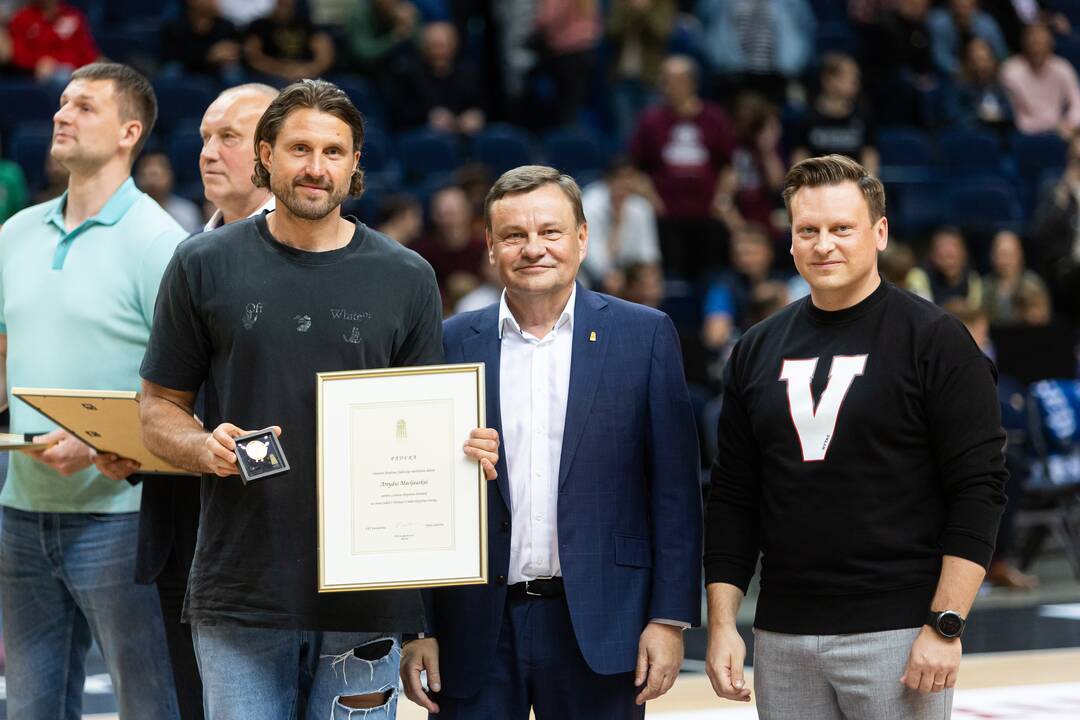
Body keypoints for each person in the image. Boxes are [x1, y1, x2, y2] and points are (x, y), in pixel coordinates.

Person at [138, 78, 499, 720]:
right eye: (299, 148)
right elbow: (157, 406)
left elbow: (423, 427)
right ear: (267, 155)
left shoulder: (407, 276)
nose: (315, 167)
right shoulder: (202, 263)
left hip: (366, 601)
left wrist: (463, 448)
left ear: (355, 163)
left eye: (334, 151)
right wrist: (201, 447)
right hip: (241, 590)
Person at [704, 154, 1007, 718]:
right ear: (790, 242)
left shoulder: (936, 340)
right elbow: (733, 496)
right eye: (808, 231)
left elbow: (980, 488)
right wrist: (722, 625)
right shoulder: (755, 349)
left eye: (842, 228)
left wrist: (945, 624)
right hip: (782, 635)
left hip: (899, 633)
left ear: (880, 232)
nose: (824, 245)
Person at [401, 165, 702, 719]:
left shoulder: (645, 335)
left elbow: (676, 492)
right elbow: (418, 495)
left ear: (582, 238)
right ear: (490, 246)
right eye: (514, 235)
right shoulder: (447, 343)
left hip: (606, 623)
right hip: (474, 629)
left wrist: (669, 617)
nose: (532, 248)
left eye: (550, 231)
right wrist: (418, 625)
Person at [0, 62, 185, 719]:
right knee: (28, 708)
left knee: (149, 705)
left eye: (83, 106)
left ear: (129, 131)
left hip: (121, 518)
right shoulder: (14, 234)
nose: (61, 114)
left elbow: (190, 390)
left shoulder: (162, 244)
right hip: (19, 507)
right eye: (60, 102)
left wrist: (99, 437)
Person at [132, 82, 278, 720]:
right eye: (203, 139)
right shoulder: (185, 256)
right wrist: (134, 447)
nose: (208, 153)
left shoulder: (319, 252)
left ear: (274, 152)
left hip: (268, 531)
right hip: (179, 522)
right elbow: (167, 392)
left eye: (229, 138)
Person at [629, 55, 735, 281]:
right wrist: (653, 200)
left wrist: (722, 198)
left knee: (712, 276)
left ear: (691, 83)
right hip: (668, 217)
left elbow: (728, 166)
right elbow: (637, 169)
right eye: (664, 80)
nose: (667, 86)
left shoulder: (714, 118)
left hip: (708, 215)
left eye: (674, 80)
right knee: (673, 279)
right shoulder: (651, 120)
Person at [580, 155, 661, 295]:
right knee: (612, 282)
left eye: (629, 178)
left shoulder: (641, 207)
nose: (625, 184)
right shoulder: (589, 205)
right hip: (592, 272)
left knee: (650, 286)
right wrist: (617, 224)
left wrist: (648, 279)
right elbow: (594, 260)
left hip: (629, 271)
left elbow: (649, 256)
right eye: (620, 179)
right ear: (608, 181)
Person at [390, 21, 485, 135]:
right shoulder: (408, 75)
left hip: (467, 135)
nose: (438, 52)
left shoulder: (469, 73)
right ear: (424, 47)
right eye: (433, 46)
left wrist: (477, 115)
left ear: (454, 45)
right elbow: (399, 114)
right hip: (426, 136)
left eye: (443, 45)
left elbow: (487, 106)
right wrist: (428, 117)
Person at [792, 53, 879, 176]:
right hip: (817, 184)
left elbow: (869, 154)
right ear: (828, 79)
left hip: (852, 185)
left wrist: (868, 186)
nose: (855, 82)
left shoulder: (863, 115)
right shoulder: (807, 117)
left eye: (856, 77)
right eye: (850, 77)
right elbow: (800, 155)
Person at [1001, 22, 1080, 137]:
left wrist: (1070, 123)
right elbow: (1015, 115)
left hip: (1061, 131)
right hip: (1026, 133)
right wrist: (1052, 126)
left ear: (1050, 43)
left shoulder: (1062, 68)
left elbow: (1077, 103)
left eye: (1041, 41)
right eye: (1033, 41)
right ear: (1024, 43)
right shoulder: (1010, 71)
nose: (1037, 45)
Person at [243, 0, 335, 84]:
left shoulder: (307, 24)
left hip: (306, 74)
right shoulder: (259, 26)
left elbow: (324, 54)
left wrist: (308, 70)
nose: (285, 3)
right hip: (270, 76)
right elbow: (254, 57)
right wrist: (283, 70)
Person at [7, 0, 98, 85]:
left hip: (73, 72)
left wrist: (61, 63)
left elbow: (86, 53)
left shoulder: (74, 17)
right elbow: (18, 55)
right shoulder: (22, 18)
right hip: (35, 76)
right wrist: (37, 63)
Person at [161, 0, 244, 83]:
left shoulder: (226, 26)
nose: (212, 2)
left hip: (217, 70)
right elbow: (175, 57)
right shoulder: (175, 27)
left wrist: (231, 51)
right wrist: (209, 56)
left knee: (232, 71)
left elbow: (237, 48)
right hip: (186, 70)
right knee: (171, 70)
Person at [981, 229, 1050, 325]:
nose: (1005, 261)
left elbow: (1045, 316)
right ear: (992, 256)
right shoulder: (984, 286)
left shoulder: (1034, 284)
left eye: (1009, 255)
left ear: (1020, 255)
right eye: (1001, 255)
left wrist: (1034, 314)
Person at [906, 226, 983, 308]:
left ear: (964, 254)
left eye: (952, 256)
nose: (948, 263)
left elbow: (974, 312)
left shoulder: (972, 279)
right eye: (943, 256)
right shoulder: (919, 276)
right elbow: (922, 311)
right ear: (933, 255)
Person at [928, 0, 1008, 77]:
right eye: (958, 7)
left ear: (975, 7)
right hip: (954, 75)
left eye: (966, 7)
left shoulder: (987, 25)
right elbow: (939, 55)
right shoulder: (939, 23)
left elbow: (1000, 53)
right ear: (951, 7)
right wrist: (962, 71)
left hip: (988, 72)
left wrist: (989, 67)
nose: (962, 12)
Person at [136, 150, 205, 233]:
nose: (151, 181)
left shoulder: (187, 211)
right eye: (145, 175)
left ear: (170, 176)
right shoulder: (131, 213)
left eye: (155, 175)